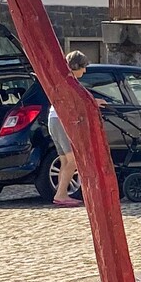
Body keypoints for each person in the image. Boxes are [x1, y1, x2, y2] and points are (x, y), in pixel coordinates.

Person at [47, 51, 90, 207]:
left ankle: (62, 193)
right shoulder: (70, 82)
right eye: (83, 67)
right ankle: (61, 194)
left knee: (65, 161)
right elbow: (78, 101)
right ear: (76, 66)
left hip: (53, 119)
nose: (84, 71)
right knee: (74, 160)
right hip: (61, 120)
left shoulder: (61, 80)